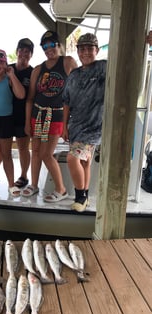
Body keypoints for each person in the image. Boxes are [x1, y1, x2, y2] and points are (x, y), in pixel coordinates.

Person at [63, 31, 152, 212]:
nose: (85, 52)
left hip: (94, 128)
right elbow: (66, 102)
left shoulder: (104, 67)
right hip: (76, 126)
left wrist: (145, 44)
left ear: (96, 50)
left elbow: (128, 61)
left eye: (90, 48)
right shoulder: (73, 75)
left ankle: (79, 197)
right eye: (82, 49)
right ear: (77, 51)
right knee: (84, 162)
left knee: (72, 159)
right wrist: (64, 126)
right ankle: (85, 196)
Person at [22, 30, 78, 202]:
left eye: (51, 45)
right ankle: (34, 184)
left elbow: (78, 89)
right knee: (36, 151)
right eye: (44, 46)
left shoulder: (68, 62)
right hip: (37, 114)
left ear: (58, 45)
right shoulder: (38, 70)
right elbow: (30, 98)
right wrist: (27, 123)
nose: (48, 49)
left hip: (56, 116)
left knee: (47, 154)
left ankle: (61, 189)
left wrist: (71, 121)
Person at [0, 38, 34, 188]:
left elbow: (25, 96)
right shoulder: (4, 69)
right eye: (21, 50)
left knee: (22, 148)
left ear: (31, 54)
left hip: (22, 115)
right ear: (16, 52)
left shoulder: (32, 72)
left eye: (27, 51)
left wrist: (29, 121)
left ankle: (23, 176)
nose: (23, 54)